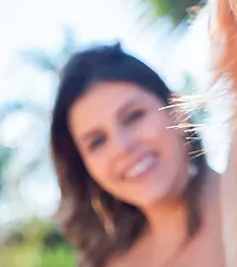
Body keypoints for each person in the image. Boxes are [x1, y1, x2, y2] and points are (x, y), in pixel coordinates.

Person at [49, 43, 223, 267]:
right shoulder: (102, 262)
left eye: (133, 117)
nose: (122, 147)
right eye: (97, 142)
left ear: (176, 111)